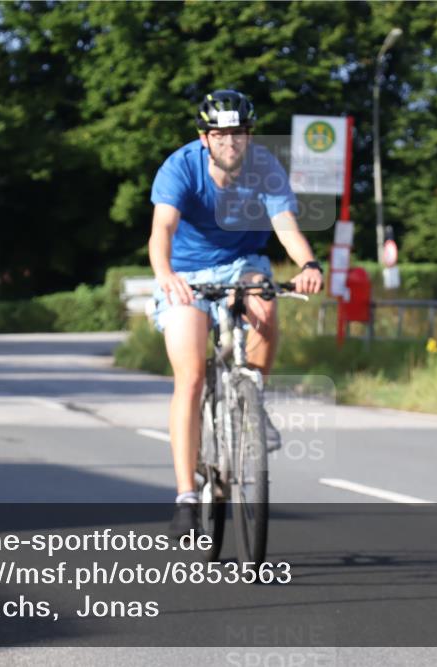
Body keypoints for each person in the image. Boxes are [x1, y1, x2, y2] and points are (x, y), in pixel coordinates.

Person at [148, 90, 323, 536]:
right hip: (185, 272)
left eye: (239, 134)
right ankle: (187, 495)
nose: (231, 143)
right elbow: (162, 229)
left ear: (249, 135)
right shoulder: (180, 167)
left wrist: (308, 264)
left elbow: (285, 226)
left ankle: (251, 398)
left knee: (265, 301)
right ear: (205, 137)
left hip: (243, 264)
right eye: (221, 134)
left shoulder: (264, 167)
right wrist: (166, 274)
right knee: (189, 377)